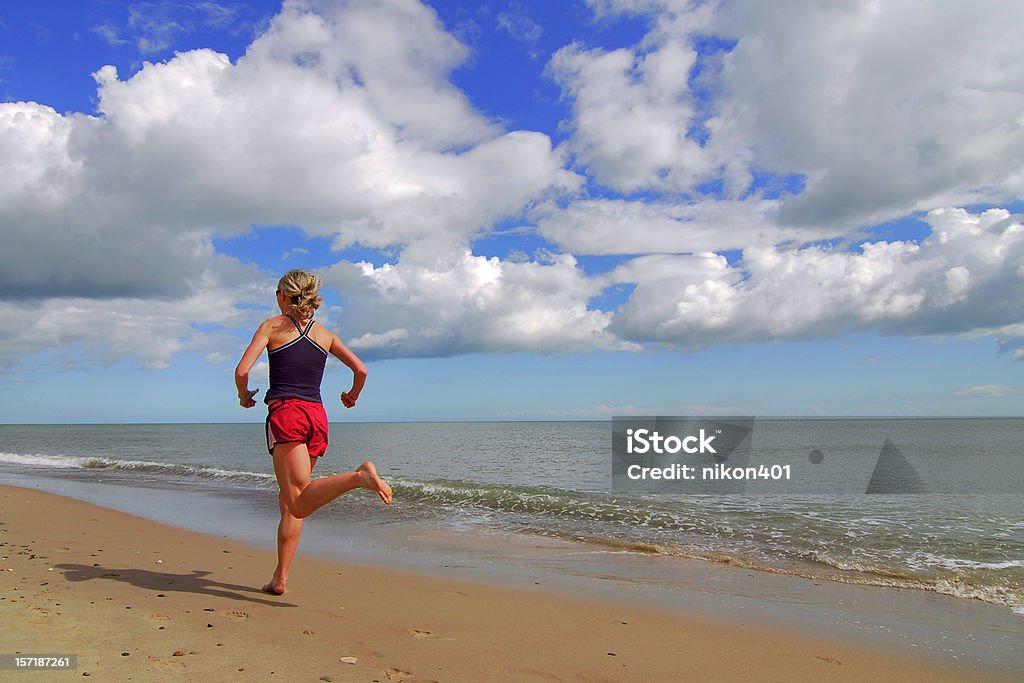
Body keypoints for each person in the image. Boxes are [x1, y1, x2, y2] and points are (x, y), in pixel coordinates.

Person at [234, 269, 392, 595]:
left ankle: (359, 477)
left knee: (299, 503)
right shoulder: (325, 334)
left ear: (282, 296)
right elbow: (361, 370)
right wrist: (352, 396)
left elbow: (242, 371)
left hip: (287, 414)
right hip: (316, 417)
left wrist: (243, 395)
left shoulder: (271, 327)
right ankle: (280, 578)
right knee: (289, 500)